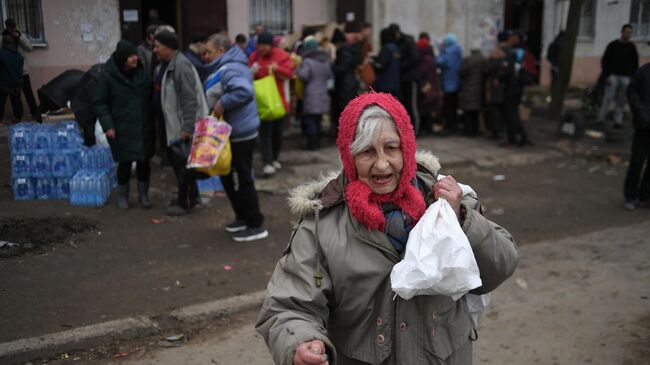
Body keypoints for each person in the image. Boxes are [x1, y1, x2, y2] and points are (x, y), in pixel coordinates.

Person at [256, 92, 519, 364]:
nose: (381, 164)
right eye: (367, 151)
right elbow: (288, 306)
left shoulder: (445, 201)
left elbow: (500, 266)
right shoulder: (322, 223)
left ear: (406, 148)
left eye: (391, 148)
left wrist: (462, 219)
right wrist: (301, 341)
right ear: (350, 157)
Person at [202, 33, 269, 241]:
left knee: (242, 178)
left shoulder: (231, 67)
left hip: (241, 133)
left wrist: (222, 103)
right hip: (232, 131)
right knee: (228, 176)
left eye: (209, 51)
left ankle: (255, 223)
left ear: (221, 51)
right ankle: (242, 217)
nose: (205, 56)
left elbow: (244, 91)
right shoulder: (230, 65)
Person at [153, 30, 209, 216]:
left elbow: (189, 100)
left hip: (180, 127)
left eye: (158, 46)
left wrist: (187, 128)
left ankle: (185, 203)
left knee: (182, 167)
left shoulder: (181, 66)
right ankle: (193, 198)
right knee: (181, 166)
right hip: (171, 125)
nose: (155, 50)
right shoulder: (167, 64)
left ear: (169, 47)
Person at [95, 40, 154, 210]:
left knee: (144, 162)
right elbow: (100, 103)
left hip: (143, 126)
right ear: (122, 59)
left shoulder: (142, 74)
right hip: (122, 127)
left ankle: (144, 195)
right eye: (131, 56)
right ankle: (123, 196)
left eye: (135, 54)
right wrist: (108, 126)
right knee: (125, 162)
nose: (135, 58)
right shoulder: (107, 76)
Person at [249, 31, 294, 177]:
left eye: (264, 45)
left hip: (278, 101)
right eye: (259, 45)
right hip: (262, 101)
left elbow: (289, 73)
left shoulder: (281, 55)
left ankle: (274, 158)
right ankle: (267, 162)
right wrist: (253, 71)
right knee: (265, 133)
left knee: (277, 132)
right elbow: (248, 74)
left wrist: (277, 68)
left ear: (270, 45)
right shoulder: (254, 56)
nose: (262, 48)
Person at [598, 24, 639, 129]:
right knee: (608, 97)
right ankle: (601, 119)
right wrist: (605, 76)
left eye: (630, 32)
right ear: (622, 32)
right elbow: (605, 61)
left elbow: (635, 64)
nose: (628, 34)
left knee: (622, 100)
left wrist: (632, 78)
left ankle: (618, 121)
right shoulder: (613, 45)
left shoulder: (631, 47)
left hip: (625, 77)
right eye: (626, 32)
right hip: (613, 76)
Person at [296, 39, 333, 150]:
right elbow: (330, 77)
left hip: (311, 94)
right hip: (323, 94)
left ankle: (312, 144)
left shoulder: (307, 62)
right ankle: (317, 142)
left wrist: (298, 70)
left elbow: (304, 76)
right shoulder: (325, 61)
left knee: (310, 120)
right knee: (318, 119)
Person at [2, 19, 40, 122]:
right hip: (11, 72)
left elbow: (30, 48)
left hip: (23, 71)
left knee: (28, 93)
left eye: (14, 26)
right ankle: (17, 117)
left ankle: (35, 114)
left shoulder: (20, 35)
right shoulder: (3, 36)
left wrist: (19, 37)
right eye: (11, 27)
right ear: (7, 27)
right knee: (15, 96)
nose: (13, 28)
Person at [624, 62, 650, 210]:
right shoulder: (643, 72)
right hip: (643, 126)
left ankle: (645, 195)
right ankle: (630, 195)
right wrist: (641, 112)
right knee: (637, 161)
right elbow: (632, 92)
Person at [389, 23, 421, 134]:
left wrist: (400, 64)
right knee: (406, 105)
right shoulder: (399, 43)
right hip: (403, 79)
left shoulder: (408, 41)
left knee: (412, 105)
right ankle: (408, 129)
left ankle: (415, 129)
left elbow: (415, 58)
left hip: (411, 78)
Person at [484, 31, 512, 141]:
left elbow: (488, 68)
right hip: (507, 85)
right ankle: (504, 130)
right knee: (503, 108)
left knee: (495, 108)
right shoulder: (510, 52)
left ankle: (497, 131)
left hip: (496, 85)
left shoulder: (496, 52)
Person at [331, 28, 359, 133]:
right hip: (348, 84)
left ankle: (346, 133)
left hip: (345, 85)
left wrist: (331, 66)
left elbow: (342, 69)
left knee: (344, 110)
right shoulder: (348, 50)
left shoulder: (343, 50)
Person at [71, 63, 105, 146]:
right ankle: (90, 152)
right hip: (82, 108)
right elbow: (97, 102)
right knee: (90, 134)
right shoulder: (95, 80)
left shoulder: (101, 73)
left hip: (86, 104)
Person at [416, 33, 442, 135]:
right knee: (427, 107)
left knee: (425, 107)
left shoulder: (426, 59)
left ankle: (427, 128)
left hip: (427, 85)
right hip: (431, 84)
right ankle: (428, 128)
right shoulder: (430, 57)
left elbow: (422, 72)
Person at [437, 33, 463, 135]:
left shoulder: (448, 52)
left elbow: (440, 62)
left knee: (448, 107)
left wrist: (440, 51)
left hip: (448, 83)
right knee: (453, 106)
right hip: (456, 82)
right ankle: (453, 126)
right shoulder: (458, 50)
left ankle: (448, 127)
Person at [459, 49, 486, 136]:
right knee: (475, 112)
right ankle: (475, 130)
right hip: (479, 88)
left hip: (469, 87)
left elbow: (461, 72)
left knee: (468, 112)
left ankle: (469, 131)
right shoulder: (483, 59)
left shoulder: (469, 60)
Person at [0, 33, 23, 123]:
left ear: (4, 43)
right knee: (16, 101)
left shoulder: (1, 54)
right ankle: (18, 118)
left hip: (4, 83)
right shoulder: (19, 56)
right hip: (16, 83)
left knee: (1, 102)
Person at [371, 28, 401, 97]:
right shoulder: (396, 48)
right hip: (395, 84)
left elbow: (380, 65)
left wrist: (372, 62)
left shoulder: (386, 49)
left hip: (385, 84)